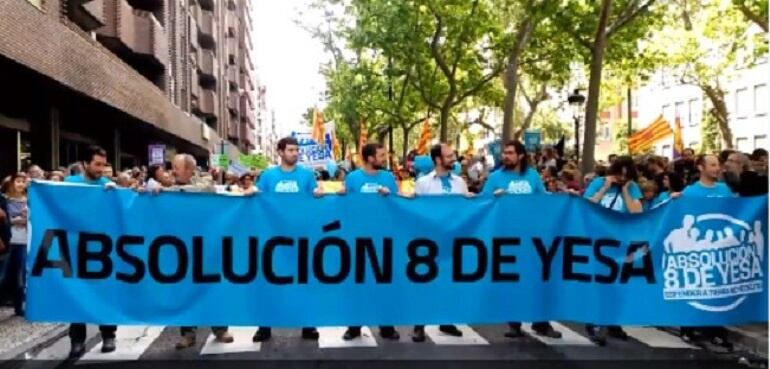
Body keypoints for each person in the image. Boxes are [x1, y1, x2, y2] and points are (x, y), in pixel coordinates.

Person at [482, 141, 562, 340]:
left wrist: (563, 199)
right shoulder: (495, 178)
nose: (505, 156)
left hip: (533, 239)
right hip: (507, 239)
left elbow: (544, 203)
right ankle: (514, 323)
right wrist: (493, 198)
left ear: (521, 156)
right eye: (504, 153)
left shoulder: (533, 176)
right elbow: (481, 205)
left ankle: (541, 322)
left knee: (539, 280)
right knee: (513, 282)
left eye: (510, 153)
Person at [253, 137, 322, 343]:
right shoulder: (268, 176)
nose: (295, 153)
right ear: (280, 152)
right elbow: (259, 197)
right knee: (268, 282)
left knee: (304, 282)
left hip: (301, 238)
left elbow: (315, 194)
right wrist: (251, 192)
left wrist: (318, 193)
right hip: (273, 240)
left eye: (296, 150)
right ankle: (264, 327)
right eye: (291, 150)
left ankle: (308, 326)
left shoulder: (307, 175)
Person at [167, 154, 235, 349]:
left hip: (206, 248)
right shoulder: (169, 190)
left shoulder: (204, 186)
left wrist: (168, 189)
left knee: (211, 288)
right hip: (181, 248)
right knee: (184, 290)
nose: (173, 170)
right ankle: (188, 333)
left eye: (177, 167)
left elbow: (206, 189)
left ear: (189, 170)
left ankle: (220, 329)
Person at [411, 143, 473, 343]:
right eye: (449, 156)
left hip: (454, 240)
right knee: (426, 283)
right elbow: (417, 211)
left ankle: (446, 321)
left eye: (453, 155)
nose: (453, 158)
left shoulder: (459, 183)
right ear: (438, 159)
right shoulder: (423, 183)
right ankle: (419, 325)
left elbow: (467, 208)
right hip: (429, 242)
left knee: (450, 282)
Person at [339, 143, 401, 341]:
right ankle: (354, 326)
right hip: (357, 240)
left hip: (384, 241)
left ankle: (386, 326)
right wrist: (341, 196)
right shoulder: (353, 178)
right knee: (357, 285)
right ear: (370, 158)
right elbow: (346, 208)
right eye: (381, 155)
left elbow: (398, 205)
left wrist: (389, 196)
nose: (384, 158)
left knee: (384, 284)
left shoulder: (388, 178)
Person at [63, 146, 118, 359]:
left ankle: (108, 335)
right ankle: (77, 340)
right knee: (77, 294)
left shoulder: (108, 185)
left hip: (101, 250)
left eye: (104, 165)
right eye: (97, 164)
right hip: (75, 249)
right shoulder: (69, 185)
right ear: (86, 164)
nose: (101, 169)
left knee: (105, 292)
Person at [582, 155, 642, 346]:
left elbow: (636, 213)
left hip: (620, 240)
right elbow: (587, 205)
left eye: (626, 176)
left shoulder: (632, 187)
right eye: (619, 175)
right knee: (599, 282)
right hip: (597, 240)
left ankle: (613, 322)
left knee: (618, 283)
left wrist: (625, 190)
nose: (622, 179)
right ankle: (595, 322)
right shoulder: (599, 183)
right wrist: (605, 187)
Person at [1, 173, 28, 317]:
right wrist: (14, 220)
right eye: (18, 181)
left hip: (23, 240)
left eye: (23, 181)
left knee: (20, 274)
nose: (20, 184)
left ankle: (19, 306)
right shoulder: (5, 200)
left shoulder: (29, 201)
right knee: (4, 274)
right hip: (8, 240)